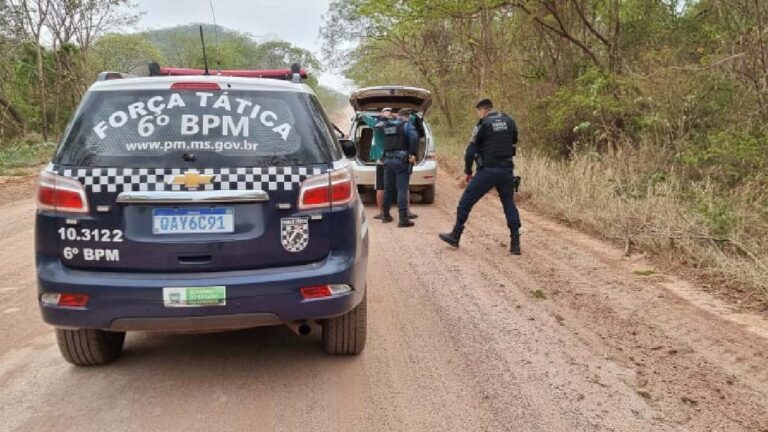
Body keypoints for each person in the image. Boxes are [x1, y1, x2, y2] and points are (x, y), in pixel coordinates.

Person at [439, 98, 522, 254]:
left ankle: (455, 235)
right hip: (506, 170)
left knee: (465, 202)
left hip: (488, 171)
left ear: (482, 110)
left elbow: (470, 151)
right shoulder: (509, 120)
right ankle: (515, 243)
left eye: (478, 112)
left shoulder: (483, 124)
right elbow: (514, 141)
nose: (478, 114)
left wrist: (468, 171)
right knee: (509, 204)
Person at [379, 108, 419, 227]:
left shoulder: (388, 125)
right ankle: (403, 219)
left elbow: (383, 137)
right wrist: (413, 154)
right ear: (408, 116)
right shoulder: (407, 125)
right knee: (402, 189)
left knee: (388, 189)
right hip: (401, 161)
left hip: (387, 160)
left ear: (398, 115)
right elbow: (414, 138)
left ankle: (385, 215)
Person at [361, 107, 392, 220]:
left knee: (380, 187)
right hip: (394, 159)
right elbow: (411, 118)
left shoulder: (376, 124)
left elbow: (363, 116)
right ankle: (403, 212)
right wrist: (394, 116)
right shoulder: (396, 123)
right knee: (397, 187)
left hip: (381, 160)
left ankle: (383, 213)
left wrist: (378, 115)